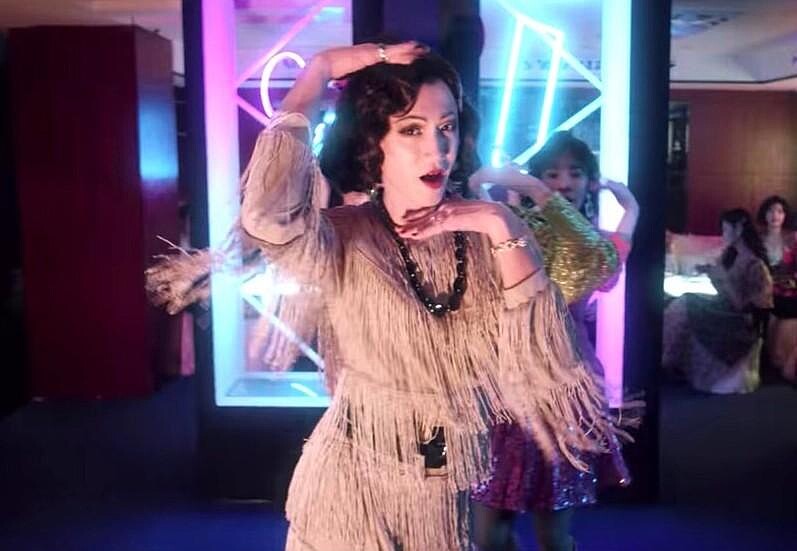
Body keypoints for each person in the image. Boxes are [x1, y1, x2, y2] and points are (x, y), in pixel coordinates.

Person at [237, 42, 620, 550]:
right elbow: (266, 215)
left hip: (444, 494)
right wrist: (319, 71)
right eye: (411, 129)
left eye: (447, 127)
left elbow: (552, 366)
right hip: (350, 493)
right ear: (374, 142)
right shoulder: (343, 235)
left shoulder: (490, 238)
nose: (437, 149)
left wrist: (500, 219)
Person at [468, 131, 640, 551]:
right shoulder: (519, 228)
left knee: (552, 536)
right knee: (488, 535)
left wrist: (631, 211)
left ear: (589, 181)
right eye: (552, 173)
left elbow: (599, 259)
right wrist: (493, 189)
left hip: (565, 392)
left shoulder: (594, 245)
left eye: (575, 173)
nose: (564, 182)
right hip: (504, 386)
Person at [663, 209, 773, 394]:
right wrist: (712, 273)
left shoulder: (756, 265)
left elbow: (746, 306)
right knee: (683, 301)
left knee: (685, 305)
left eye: (725, 230)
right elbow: (723, 291)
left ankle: (667, 360)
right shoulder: (729, 256)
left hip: (739, 318)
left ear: (739, 229)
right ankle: (669, 360)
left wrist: (722, 278)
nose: (723, 235)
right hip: (724, 308)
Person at [756, 195, 797, 381]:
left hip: (788, 288)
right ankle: (766, 359)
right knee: (765, 305)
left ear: (785, 215)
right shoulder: (757, 239)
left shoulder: (792, 238)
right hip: (764, 287)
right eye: (771, 211)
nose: (775, 215)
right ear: (764, 214)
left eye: (780, 211)